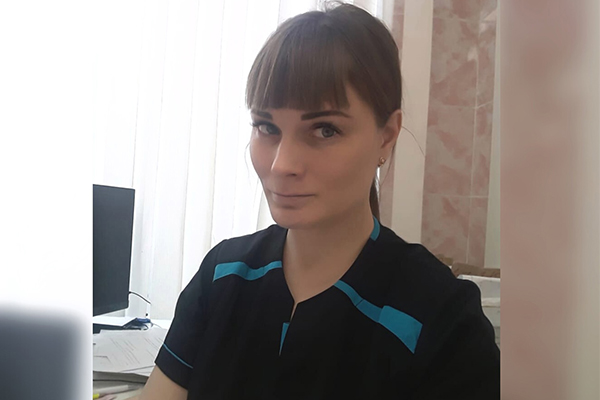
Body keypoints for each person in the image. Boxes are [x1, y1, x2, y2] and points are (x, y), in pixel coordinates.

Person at [139, 3, 500, 400]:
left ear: (386, 136)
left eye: (325, 130)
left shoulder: (442, 321)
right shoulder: (222, 277)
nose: (281, 165)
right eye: (266, 127)